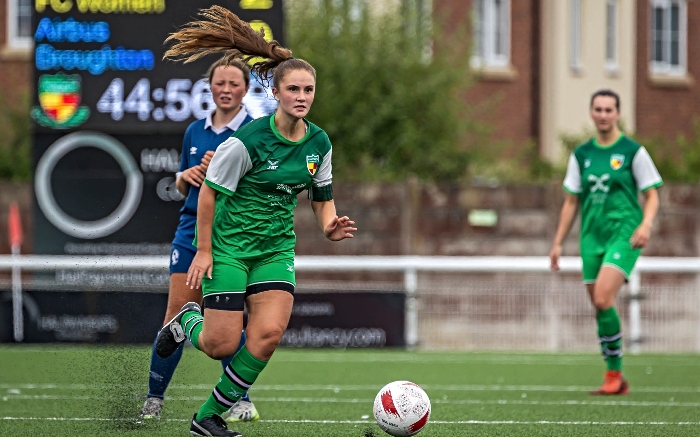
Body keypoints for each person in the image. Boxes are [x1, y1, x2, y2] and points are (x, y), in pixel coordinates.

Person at [155, 6, 357, 436]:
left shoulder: (319, 142)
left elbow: (322, 199)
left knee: (266, 335)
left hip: (275, 250)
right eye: (294, 89)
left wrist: (330, 224)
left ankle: (207, 417)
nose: (302, 97)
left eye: (309, 90)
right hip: (229, 249)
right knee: (219, 344)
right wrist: (205, 249)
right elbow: (208, 192)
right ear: (277, 92)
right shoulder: (246, 140)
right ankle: (184, 322)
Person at [139, 56, 260, 424]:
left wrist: (221, 173)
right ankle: (154, 400)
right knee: (174, 317)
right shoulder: (195, 130)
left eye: (234, 84)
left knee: (227, 320)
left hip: (230, 236)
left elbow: (254, 191)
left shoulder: (255, 132)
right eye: (219, 83)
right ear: (210, 86)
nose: (226, 90)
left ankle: (239, 399)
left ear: (246, 89)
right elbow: (181, 185)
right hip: (190, 234)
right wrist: (187, 174)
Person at [549, 89, 662, 395]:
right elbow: (571, 202)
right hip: (591, 237)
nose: (602, 114)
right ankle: (615, 375)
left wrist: (646, 224)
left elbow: (652, 194)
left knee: (602, 298)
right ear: (591, 113)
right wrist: (558, 242)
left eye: (608, 109)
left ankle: (614, 376)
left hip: (624, 233)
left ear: (617, 114)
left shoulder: (632, 151)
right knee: (601, 307)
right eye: (597, 109)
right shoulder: (582, 155)